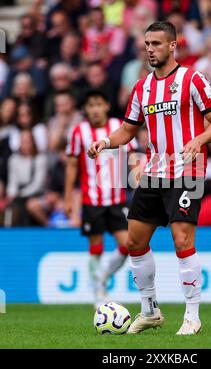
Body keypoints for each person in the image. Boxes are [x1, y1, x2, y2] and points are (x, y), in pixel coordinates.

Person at [87, 21, 211, 335]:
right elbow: (127, 129)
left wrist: (199, 140)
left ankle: (192, 316)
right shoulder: (142, 87)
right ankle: (150, 310)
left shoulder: (192, 79)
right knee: (135, 241)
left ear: (173, 45)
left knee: (182, 241)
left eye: (157, 44)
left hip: (187, 171)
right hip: (153, 172)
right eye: (147, 44)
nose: (150, 49)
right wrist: (105, 143)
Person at [65, 88, 137, 307]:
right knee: (95, 247)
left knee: (128, 245)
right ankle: (99, 293)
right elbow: (71, 165)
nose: (95, 109)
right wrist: (68, 197)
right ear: (85, 109)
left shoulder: (118, 127)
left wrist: (137, 175)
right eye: (90, 105)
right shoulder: (79, 131)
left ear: (106, 105)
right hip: (91, 200)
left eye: (98, 104)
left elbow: (132, 153)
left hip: (116, 199)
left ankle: (102, 277)